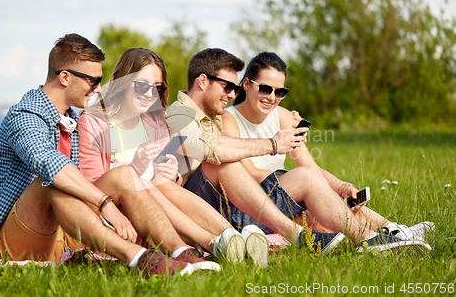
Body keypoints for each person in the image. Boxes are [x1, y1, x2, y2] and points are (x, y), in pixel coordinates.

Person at [0, 34, 220, 277]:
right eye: (92, 81)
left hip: (68, 234)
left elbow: (97, 178)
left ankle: (180, 252)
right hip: (14, 239)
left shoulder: (74, 120)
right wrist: (105, 203)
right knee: (51, 183)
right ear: (65, 77)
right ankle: (141, 258)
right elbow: (49, 163)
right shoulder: (25, 116)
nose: (99, 90)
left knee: (122, 174)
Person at [166, 47, 428, 254]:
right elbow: (212, 153)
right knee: (234, 164)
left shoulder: (215, 114)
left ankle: (387, 231)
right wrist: (273, 145)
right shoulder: (187, 114)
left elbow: (307, 165)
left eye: (280, 91)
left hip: (243, 197)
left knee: (317, 187)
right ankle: (364, 238)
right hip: (216, 201)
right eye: (229, 87)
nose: (272, 96)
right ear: (203, 81)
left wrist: (338, 186)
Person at [77, 48, 269, 267]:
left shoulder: (155, 122)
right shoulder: (93, 123)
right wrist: (136, 169)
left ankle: (230, 237)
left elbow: (167, 179)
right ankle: (213, 243)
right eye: (141, 85)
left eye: (156, 88)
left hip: (157, 216)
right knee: (139, 179)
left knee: (160, 181)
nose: (149, 94)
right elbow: (91, 187)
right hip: (114, 217)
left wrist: (173, 174)